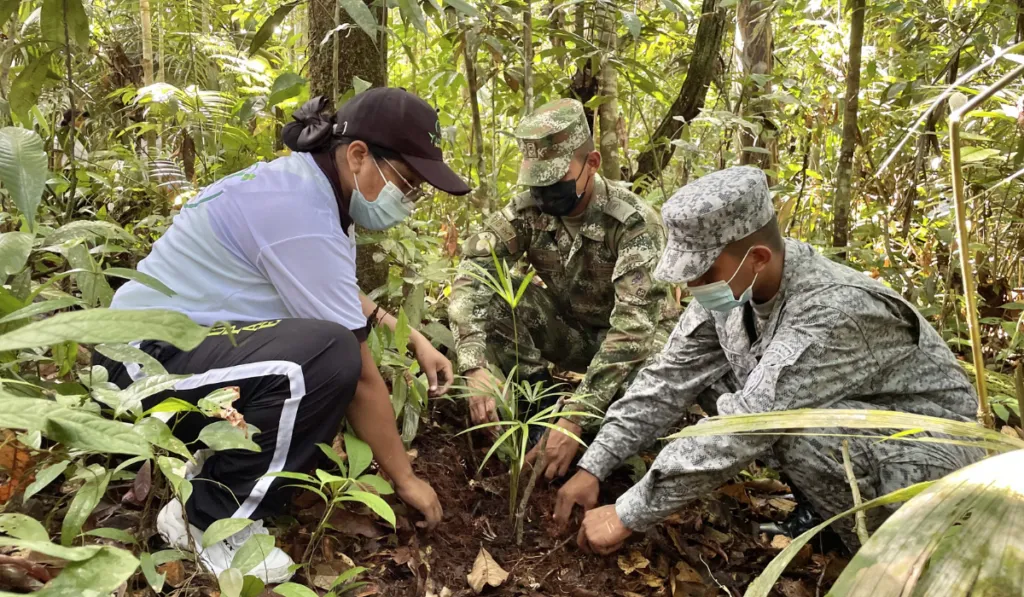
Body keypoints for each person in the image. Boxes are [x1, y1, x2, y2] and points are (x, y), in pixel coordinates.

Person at [97, 89, 470, 583]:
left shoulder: (311, 188)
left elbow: (327, 285)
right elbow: (358, 374)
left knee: (322, 363)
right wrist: (406, 479)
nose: (410, 197)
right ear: (358, 155)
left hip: (168, 352)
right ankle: (209, 519)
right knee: (330, 358)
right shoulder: (302, 213)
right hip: (141, 369)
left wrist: (412, 336)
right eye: (407, 180)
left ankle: (213, 474)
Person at [554, 166, 983, 554]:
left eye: (702, 272)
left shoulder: (831, 312)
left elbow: (750, 423)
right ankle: (825, 515)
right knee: (711, 383)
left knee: (788, 430)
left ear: (757, 257)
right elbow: (667, 379)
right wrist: (596, 463)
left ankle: (881, 560)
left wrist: (627, 513)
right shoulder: (732, 286)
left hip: (931, 460)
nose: (692, 286)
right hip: (860, 430)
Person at [448, 98, 679, 478]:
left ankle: (602, 448)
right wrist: (475, 367)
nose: (544, 193)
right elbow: (472, 278)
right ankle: (539, 412)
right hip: (577, 335)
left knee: (651, 379)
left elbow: (634, 330)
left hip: (639, 347)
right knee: (499, 301)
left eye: (555, 181)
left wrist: (577, 414)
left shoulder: (634, 223)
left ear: (592, 164)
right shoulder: (528, 213)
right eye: (536, 183)